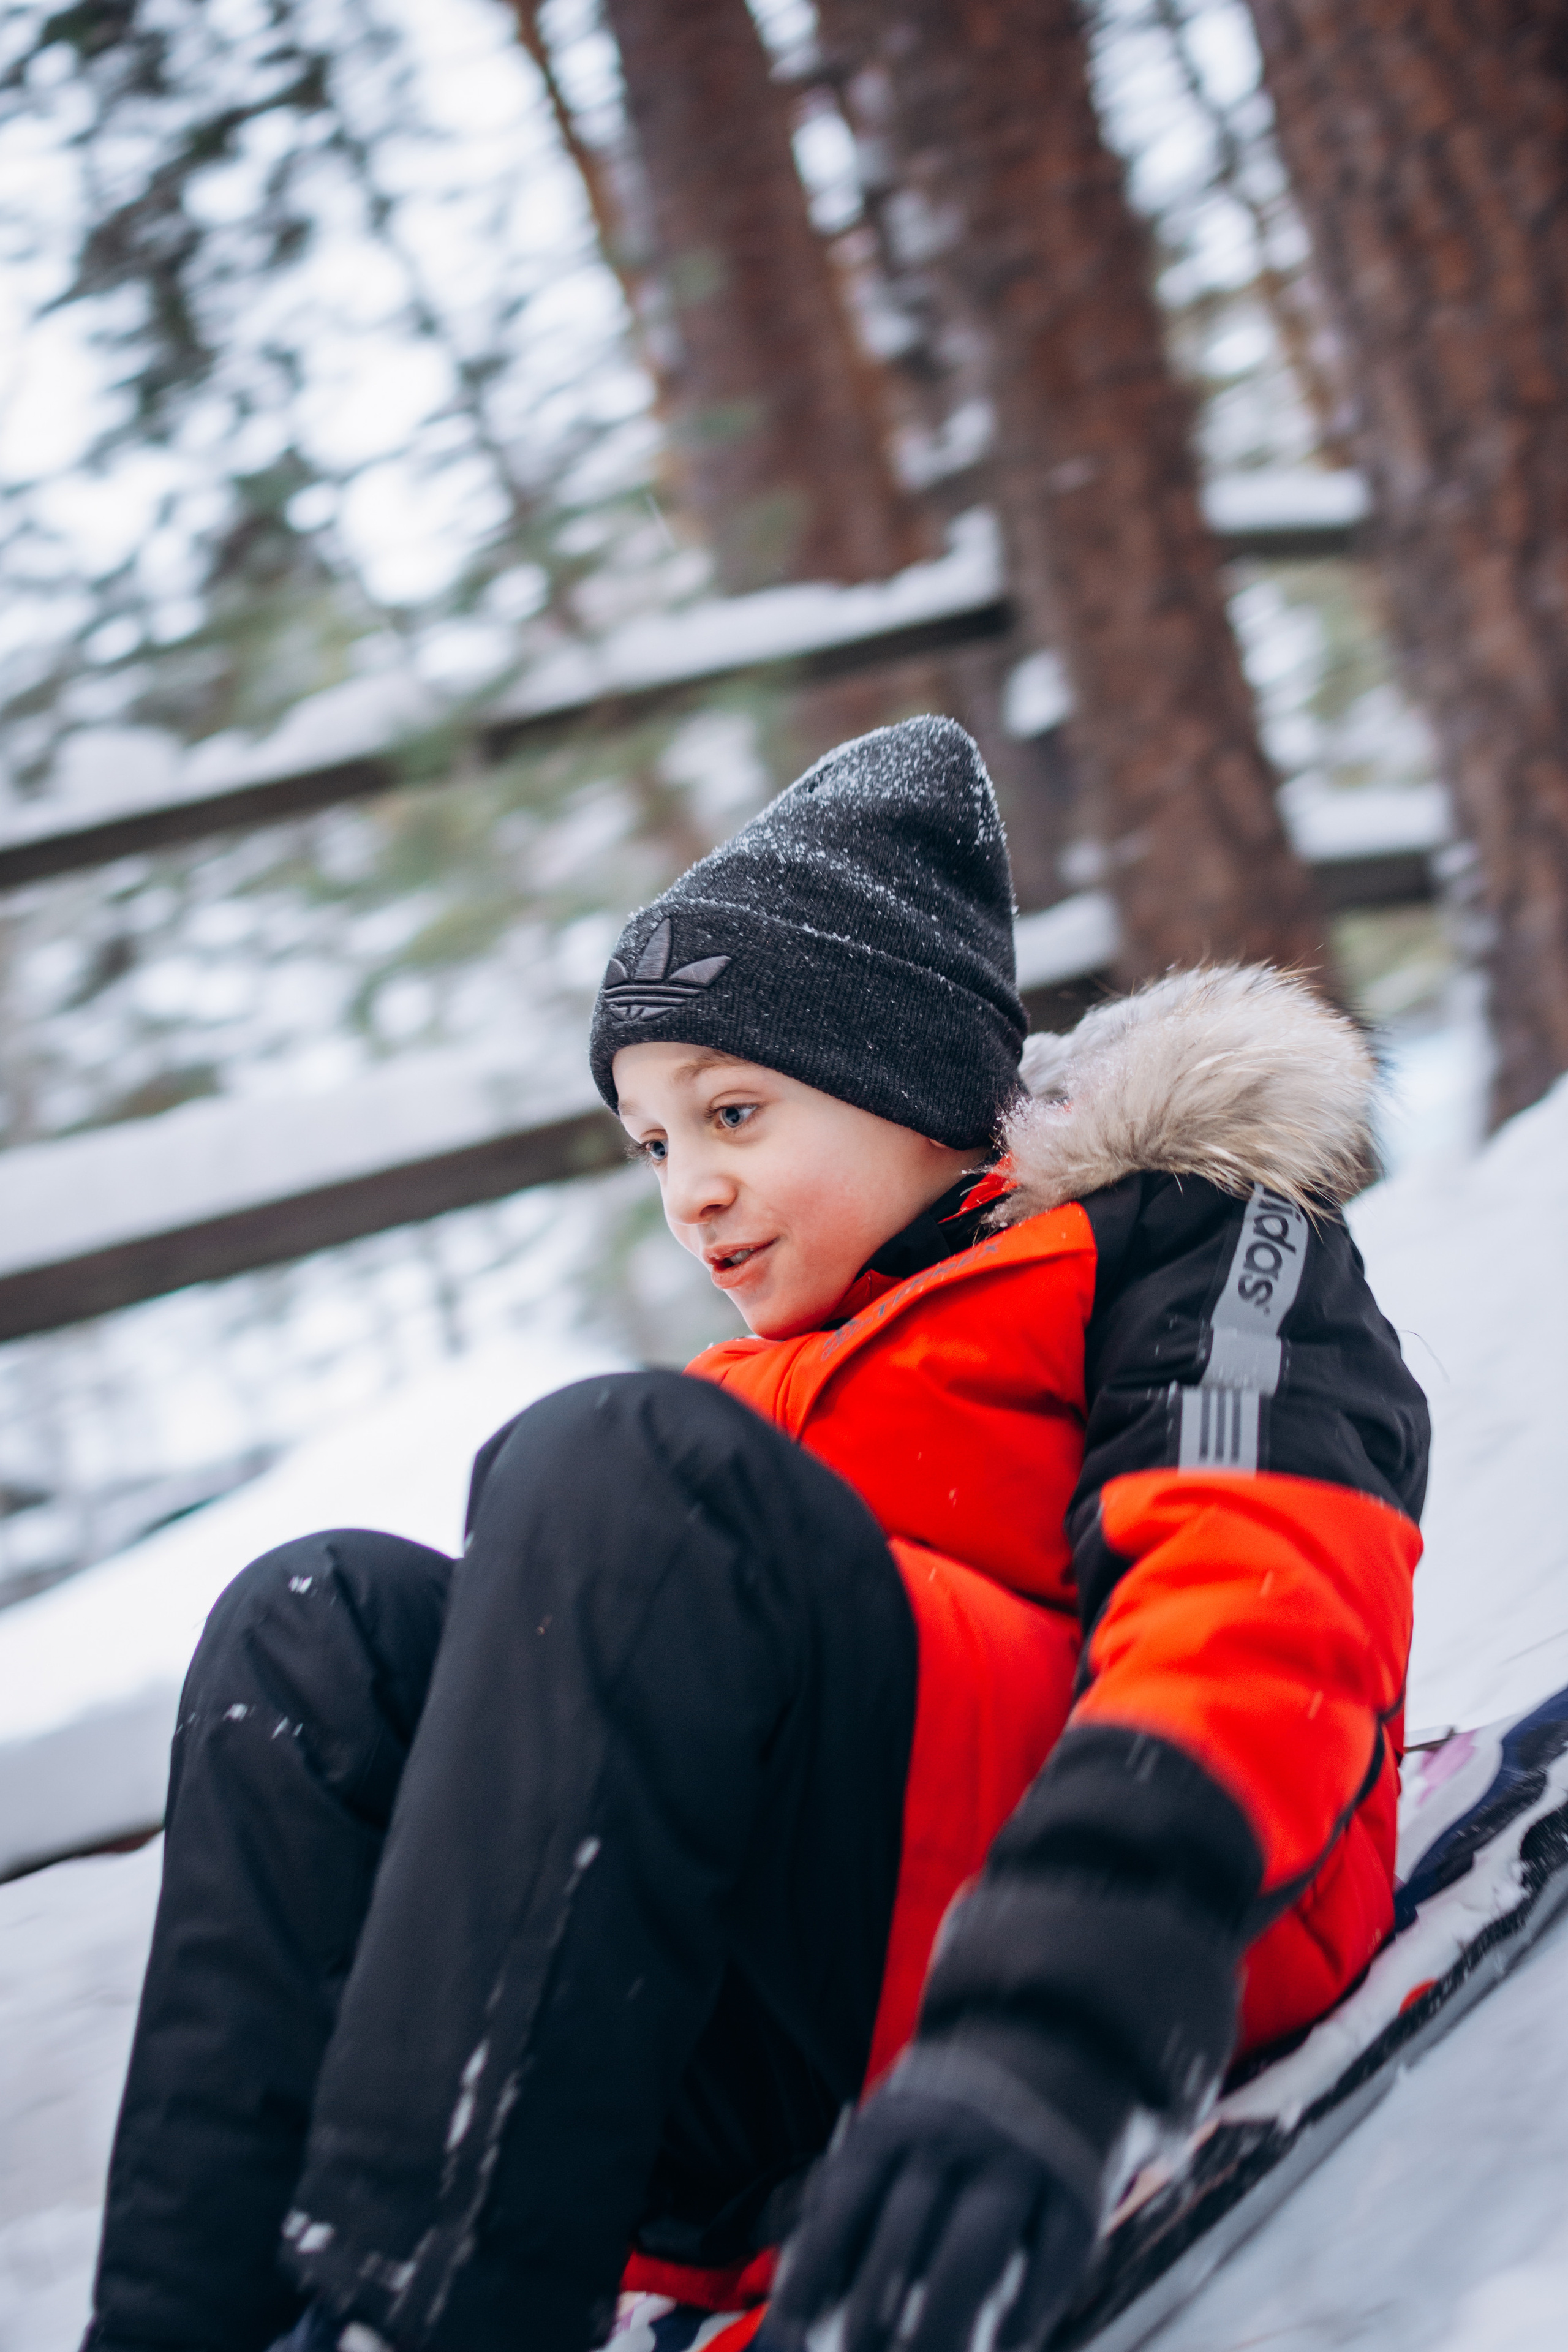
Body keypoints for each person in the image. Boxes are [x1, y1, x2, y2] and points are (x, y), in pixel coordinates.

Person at [83, 717, 1429, 2352]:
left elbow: (1257, 1587)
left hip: (1130, 1934)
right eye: (655, 1144)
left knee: (614, 1463)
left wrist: (1046, 2026)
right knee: (316, 1625)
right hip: (798, 2033)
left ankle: (428, 2322)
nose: (689, 1194)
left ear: (910, 1075)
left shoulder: (1177, 1238)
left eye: (733, 1115)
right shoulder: (759, 1391)